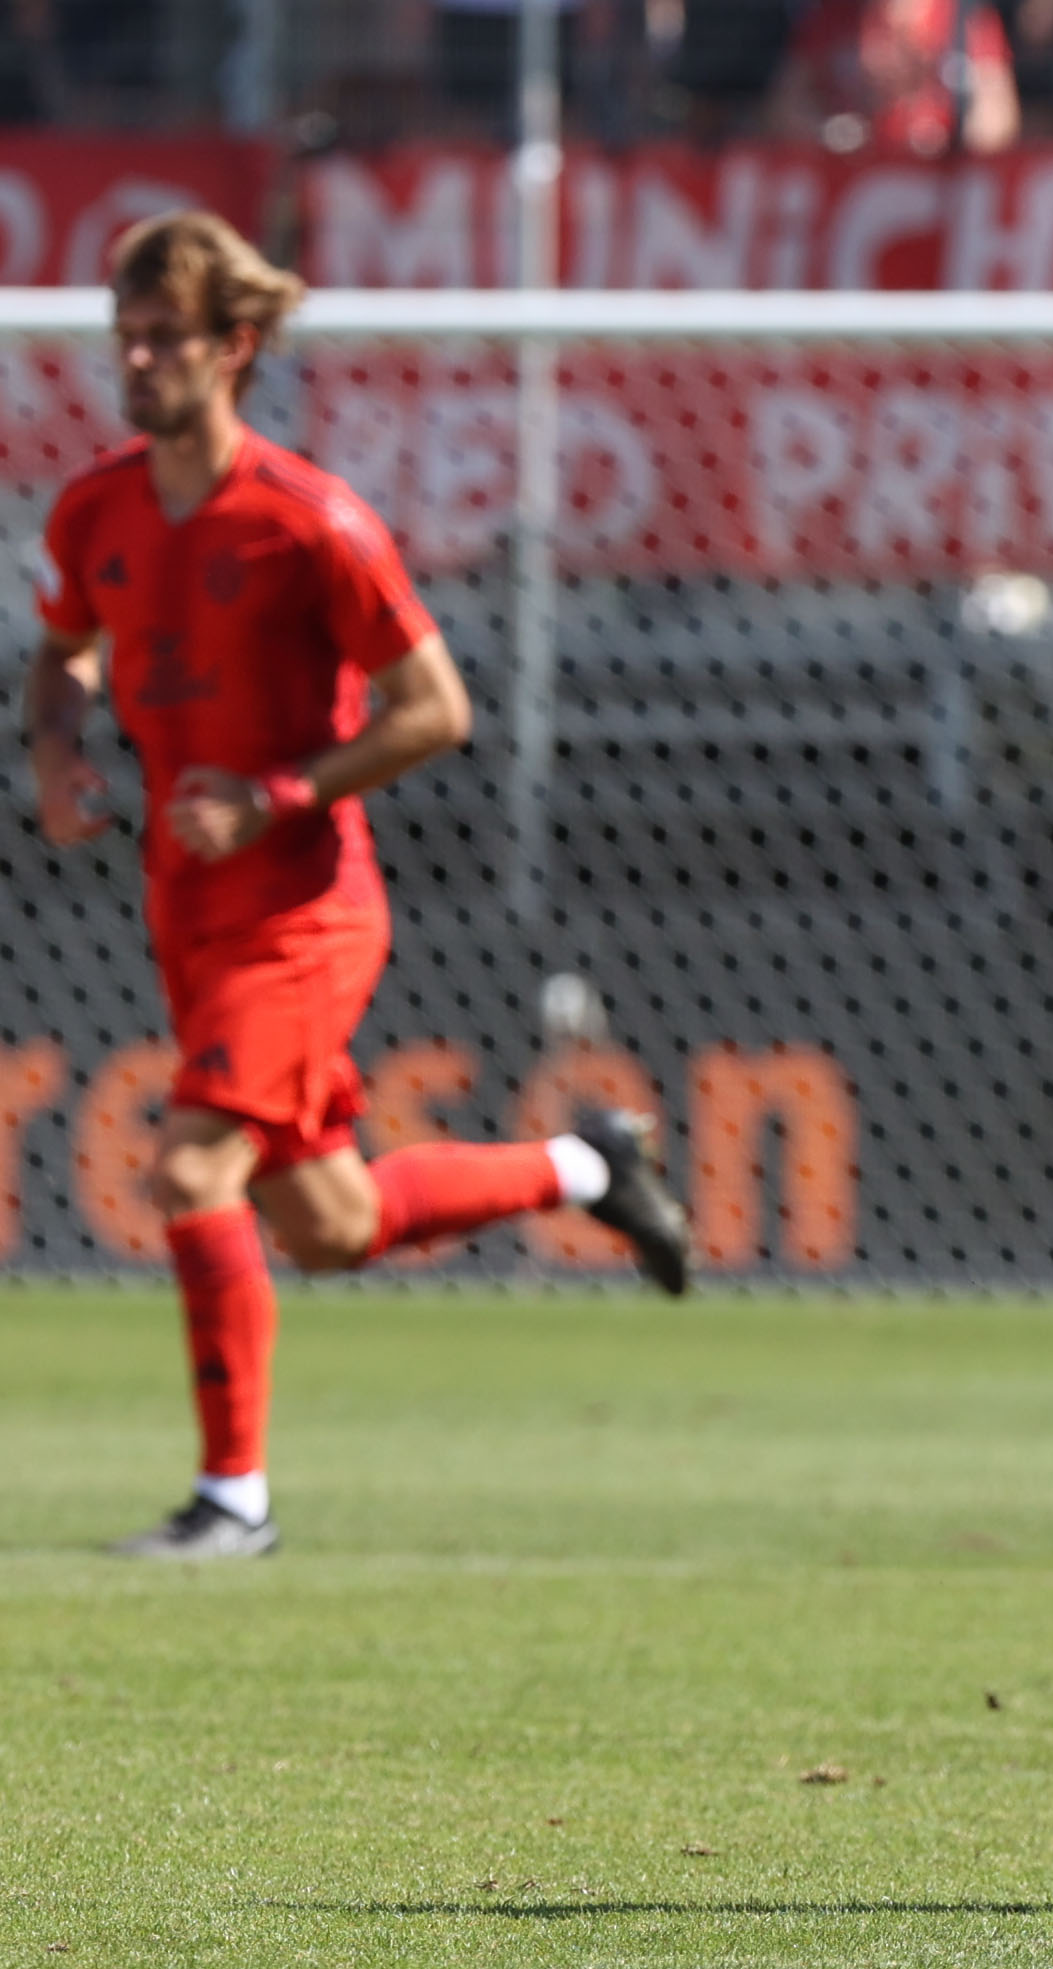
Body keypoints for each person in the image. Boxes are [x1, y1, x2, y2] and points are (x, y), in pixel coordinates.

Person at [21, 213, 694, 1563]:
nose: (139, 360)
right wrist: (53, 753)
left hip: (305, 912)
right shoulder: (95, 507)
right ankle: (587, 1163)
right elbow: (64, 649)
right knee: (326, 1224)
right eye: (128, 337)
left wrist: (276, 792)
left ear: (238, 349)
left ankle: (234, 1501)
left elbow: (434, 708)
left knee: (193, 1165)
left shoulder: (309, 520)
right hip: (186, 904)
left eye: (167, 340)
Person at [766, 0, 1019, 155]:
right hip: (846, 192)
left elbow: (999, 118)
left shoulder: (967, 18)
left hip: (942, 192)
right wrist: (830, 135)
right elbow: (784, 108)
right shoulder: (830, 17)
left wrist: (954, 141)